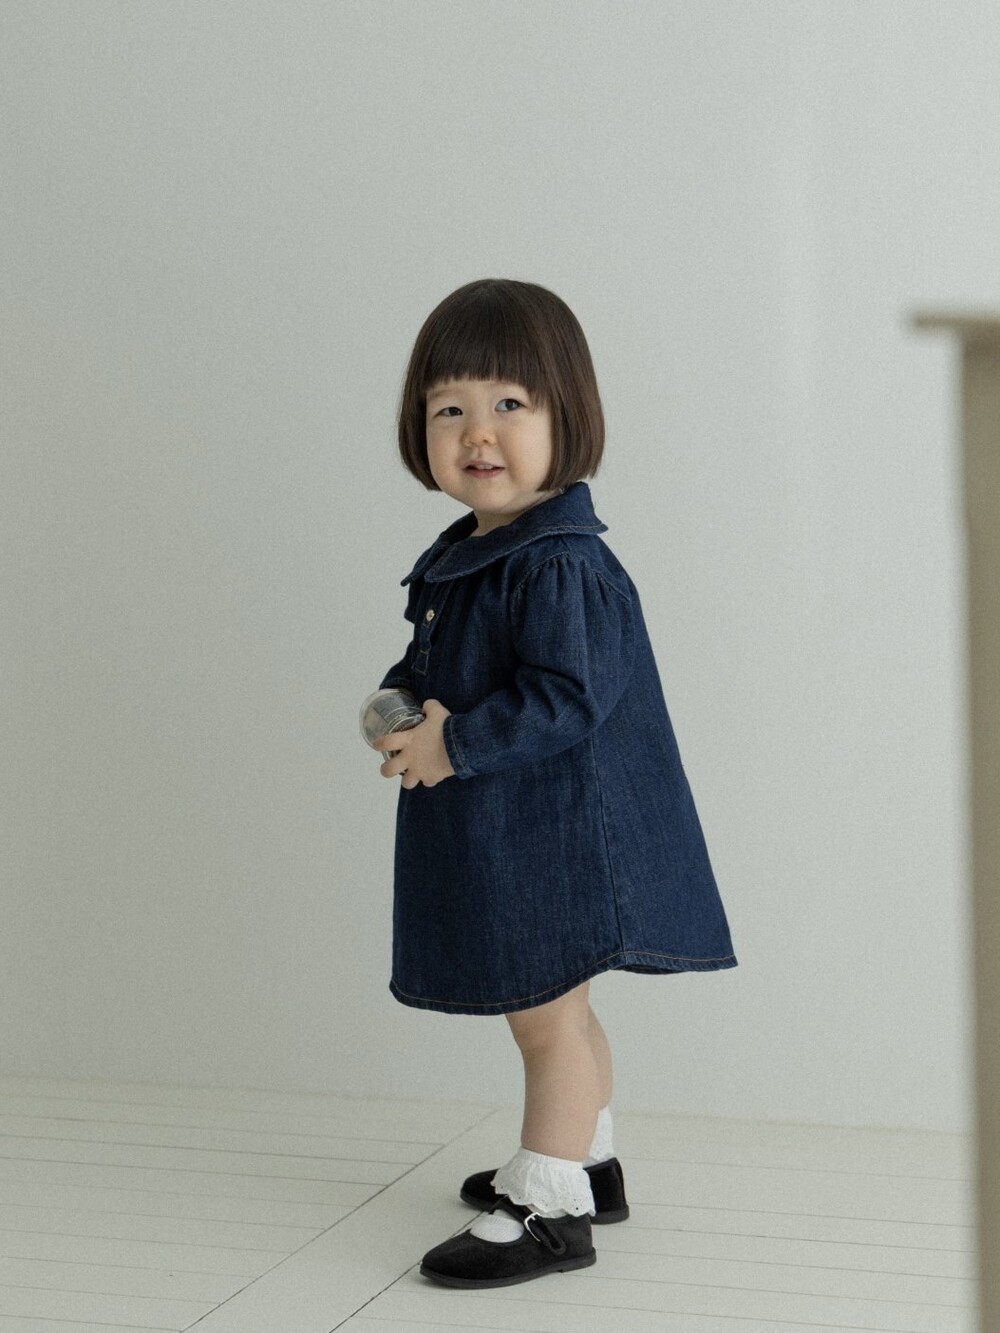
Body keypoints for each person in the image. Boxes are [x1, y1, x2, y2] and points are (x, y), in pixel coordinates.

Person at [370, 278, 737, 1288]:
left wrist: (455, 742)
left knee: (546, 1017)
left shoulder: (559, 565)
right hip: (518, 825)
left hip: (563, 833)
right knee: (553, 1009)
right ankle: (587, 1160)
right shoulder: (474, 552)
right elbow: (443, 662)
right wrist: (406, 704)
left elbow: (567, 696)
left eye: (509, 403)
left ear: (566, 416)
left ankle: (548, 1209)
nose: (477, 432)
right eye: (449, 408)